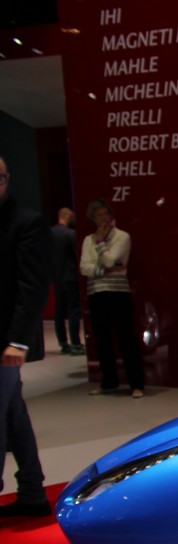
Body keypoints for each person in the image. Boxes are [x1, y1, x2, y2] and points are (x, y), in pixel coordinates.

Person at [0, 155, 53, 518]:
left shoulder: (27, 222)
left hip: (5, 340)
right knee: (13, 415)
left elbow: (32, 287)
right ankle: (33, 493)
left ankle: (31, 492)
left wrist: (18, 341)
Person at [79, 199, 145, 398]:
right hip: (96, 292)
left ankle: (136, 384)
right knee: (102, 339)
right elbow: (84, 267)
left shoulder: (122, 236)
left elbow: (110, 259)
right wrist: (107, 269)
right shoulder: (87, 240)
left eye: (105, 213)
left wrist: (100, 243)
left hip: (118, 292)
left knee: (126, 338)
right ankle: (109, 382)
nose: (103, 218)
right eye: (98, 215)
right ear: (93, 218)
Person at [50, 207, 84, 355]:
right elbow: (76, 255)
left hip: (56, 277)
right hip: (70, 277)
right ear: (69, 217)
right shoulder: (70, 234)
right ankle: (76, 343)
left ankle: (63, 343)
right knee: (74, 310)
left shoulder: (49, 233)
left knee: (59, 311)